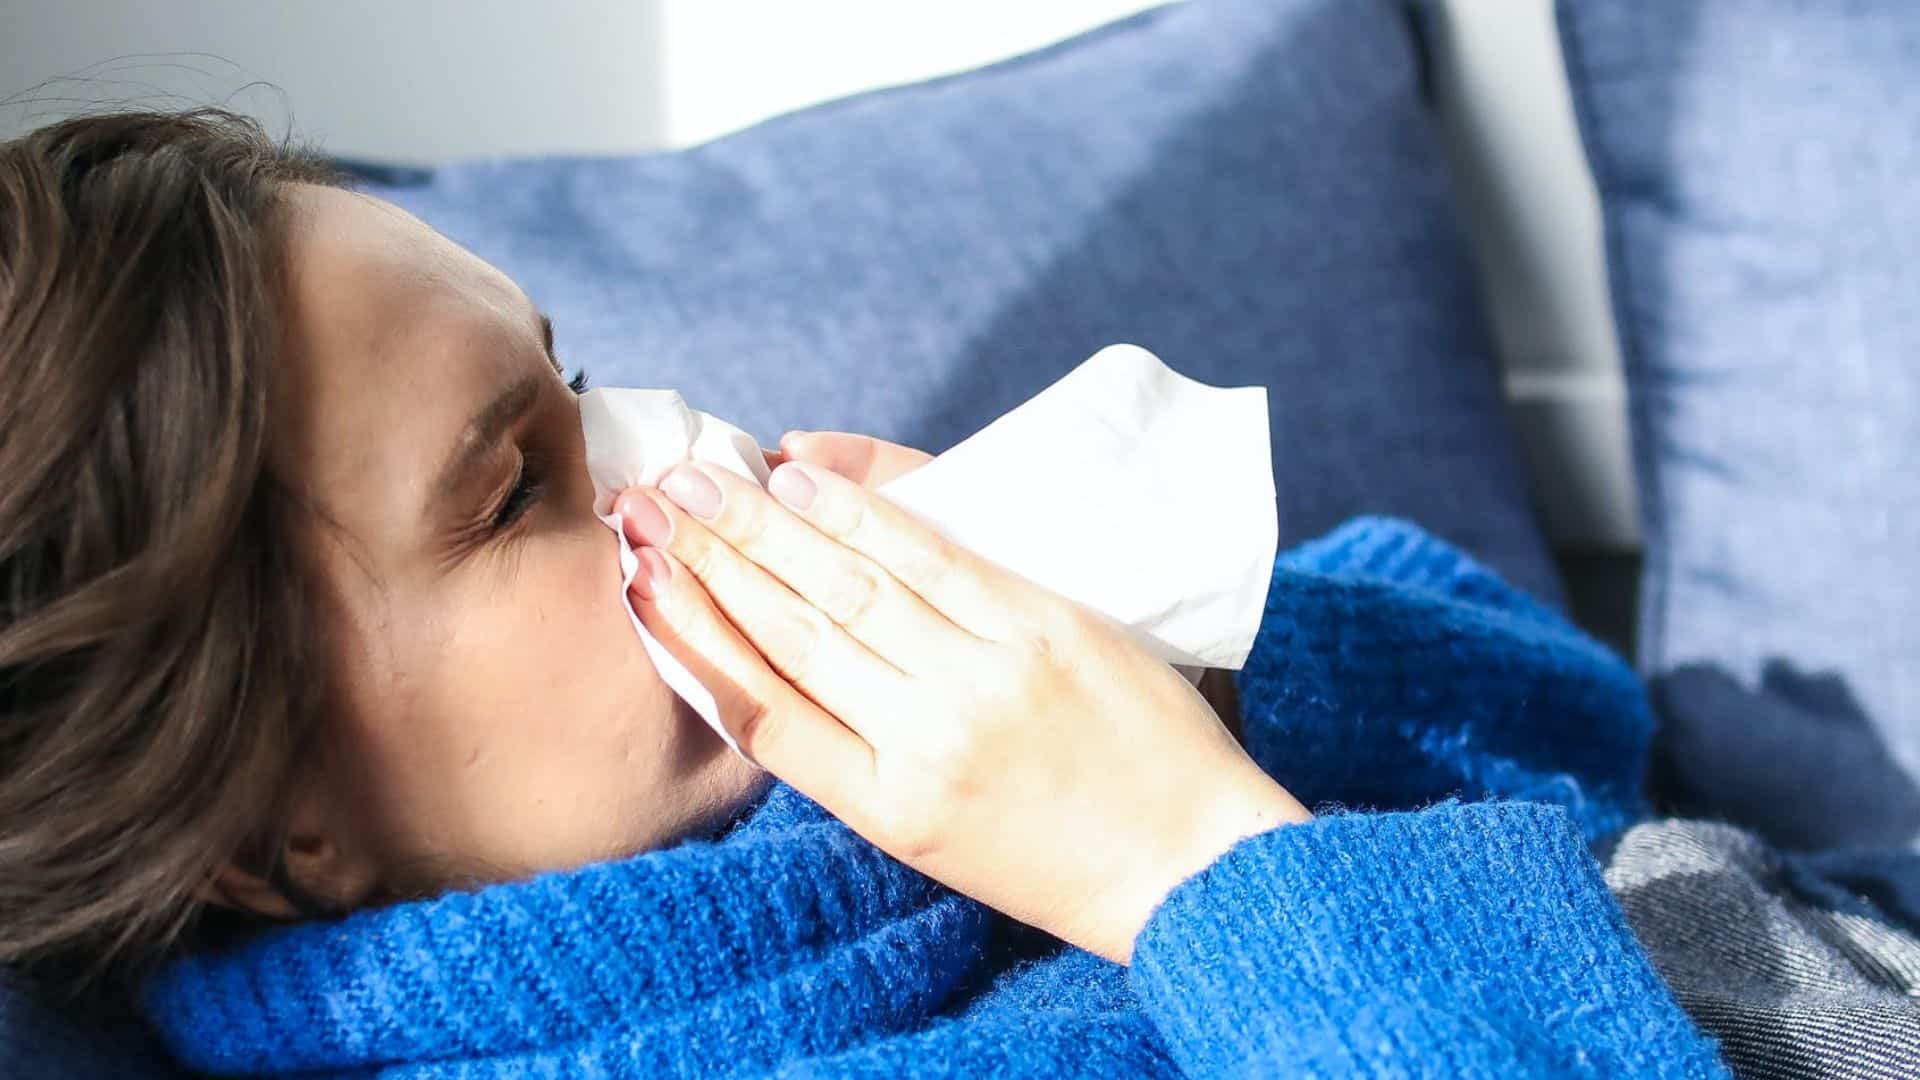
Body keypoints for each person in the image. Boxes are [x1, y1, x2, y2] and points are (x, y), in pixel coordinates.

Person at [4, 107, 1894, 1078]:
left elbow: (1586, 728)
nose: (673, 460)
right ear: (272, 828)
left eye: (578, 388)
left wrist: (1183, 657)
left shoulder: (891, 782)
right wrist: (1182, 865)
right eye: (516, 494)